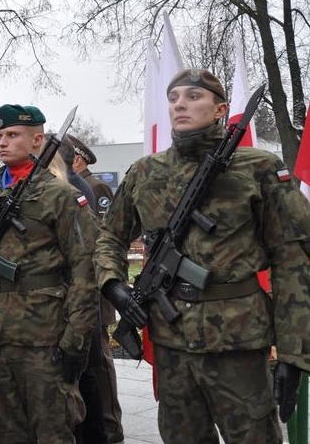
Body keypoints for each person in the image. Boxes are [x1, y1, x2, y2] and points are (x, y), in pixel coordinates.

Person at [96, 68, 310, 444]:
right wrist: (114, 285)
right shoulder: (145, 172)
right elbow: (109, 236)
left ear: (220, 110)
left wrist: (294, 352)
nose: (180, 104)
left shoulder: (257, 168)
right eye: (174, 97)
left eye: (194, 96)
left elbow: (293, 258)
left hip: (238, 342)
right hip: (171, 339)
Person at [0, 104, 98, 444]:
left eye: (13, 135)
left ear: (37, 140)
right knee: (6, 432)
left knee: (52, 432)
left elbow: (85, 269)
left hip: (42, 337)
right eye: (0, 136)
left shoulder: (60, 196)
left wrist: (76, 340)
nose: (2, 142)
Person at [68, 133, 124, 444]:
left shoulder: (95, 187)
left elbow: (104, 237)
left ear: (81, 158)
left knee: (100, 360)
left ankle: (110, 424)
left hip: (97, 288)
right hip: (88, 285)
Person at [68, 134, 114, 215]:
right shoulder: (70, 185)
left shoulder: (97, 187)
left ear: (77, 160)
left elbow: (104, 223)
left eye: (64, 158)